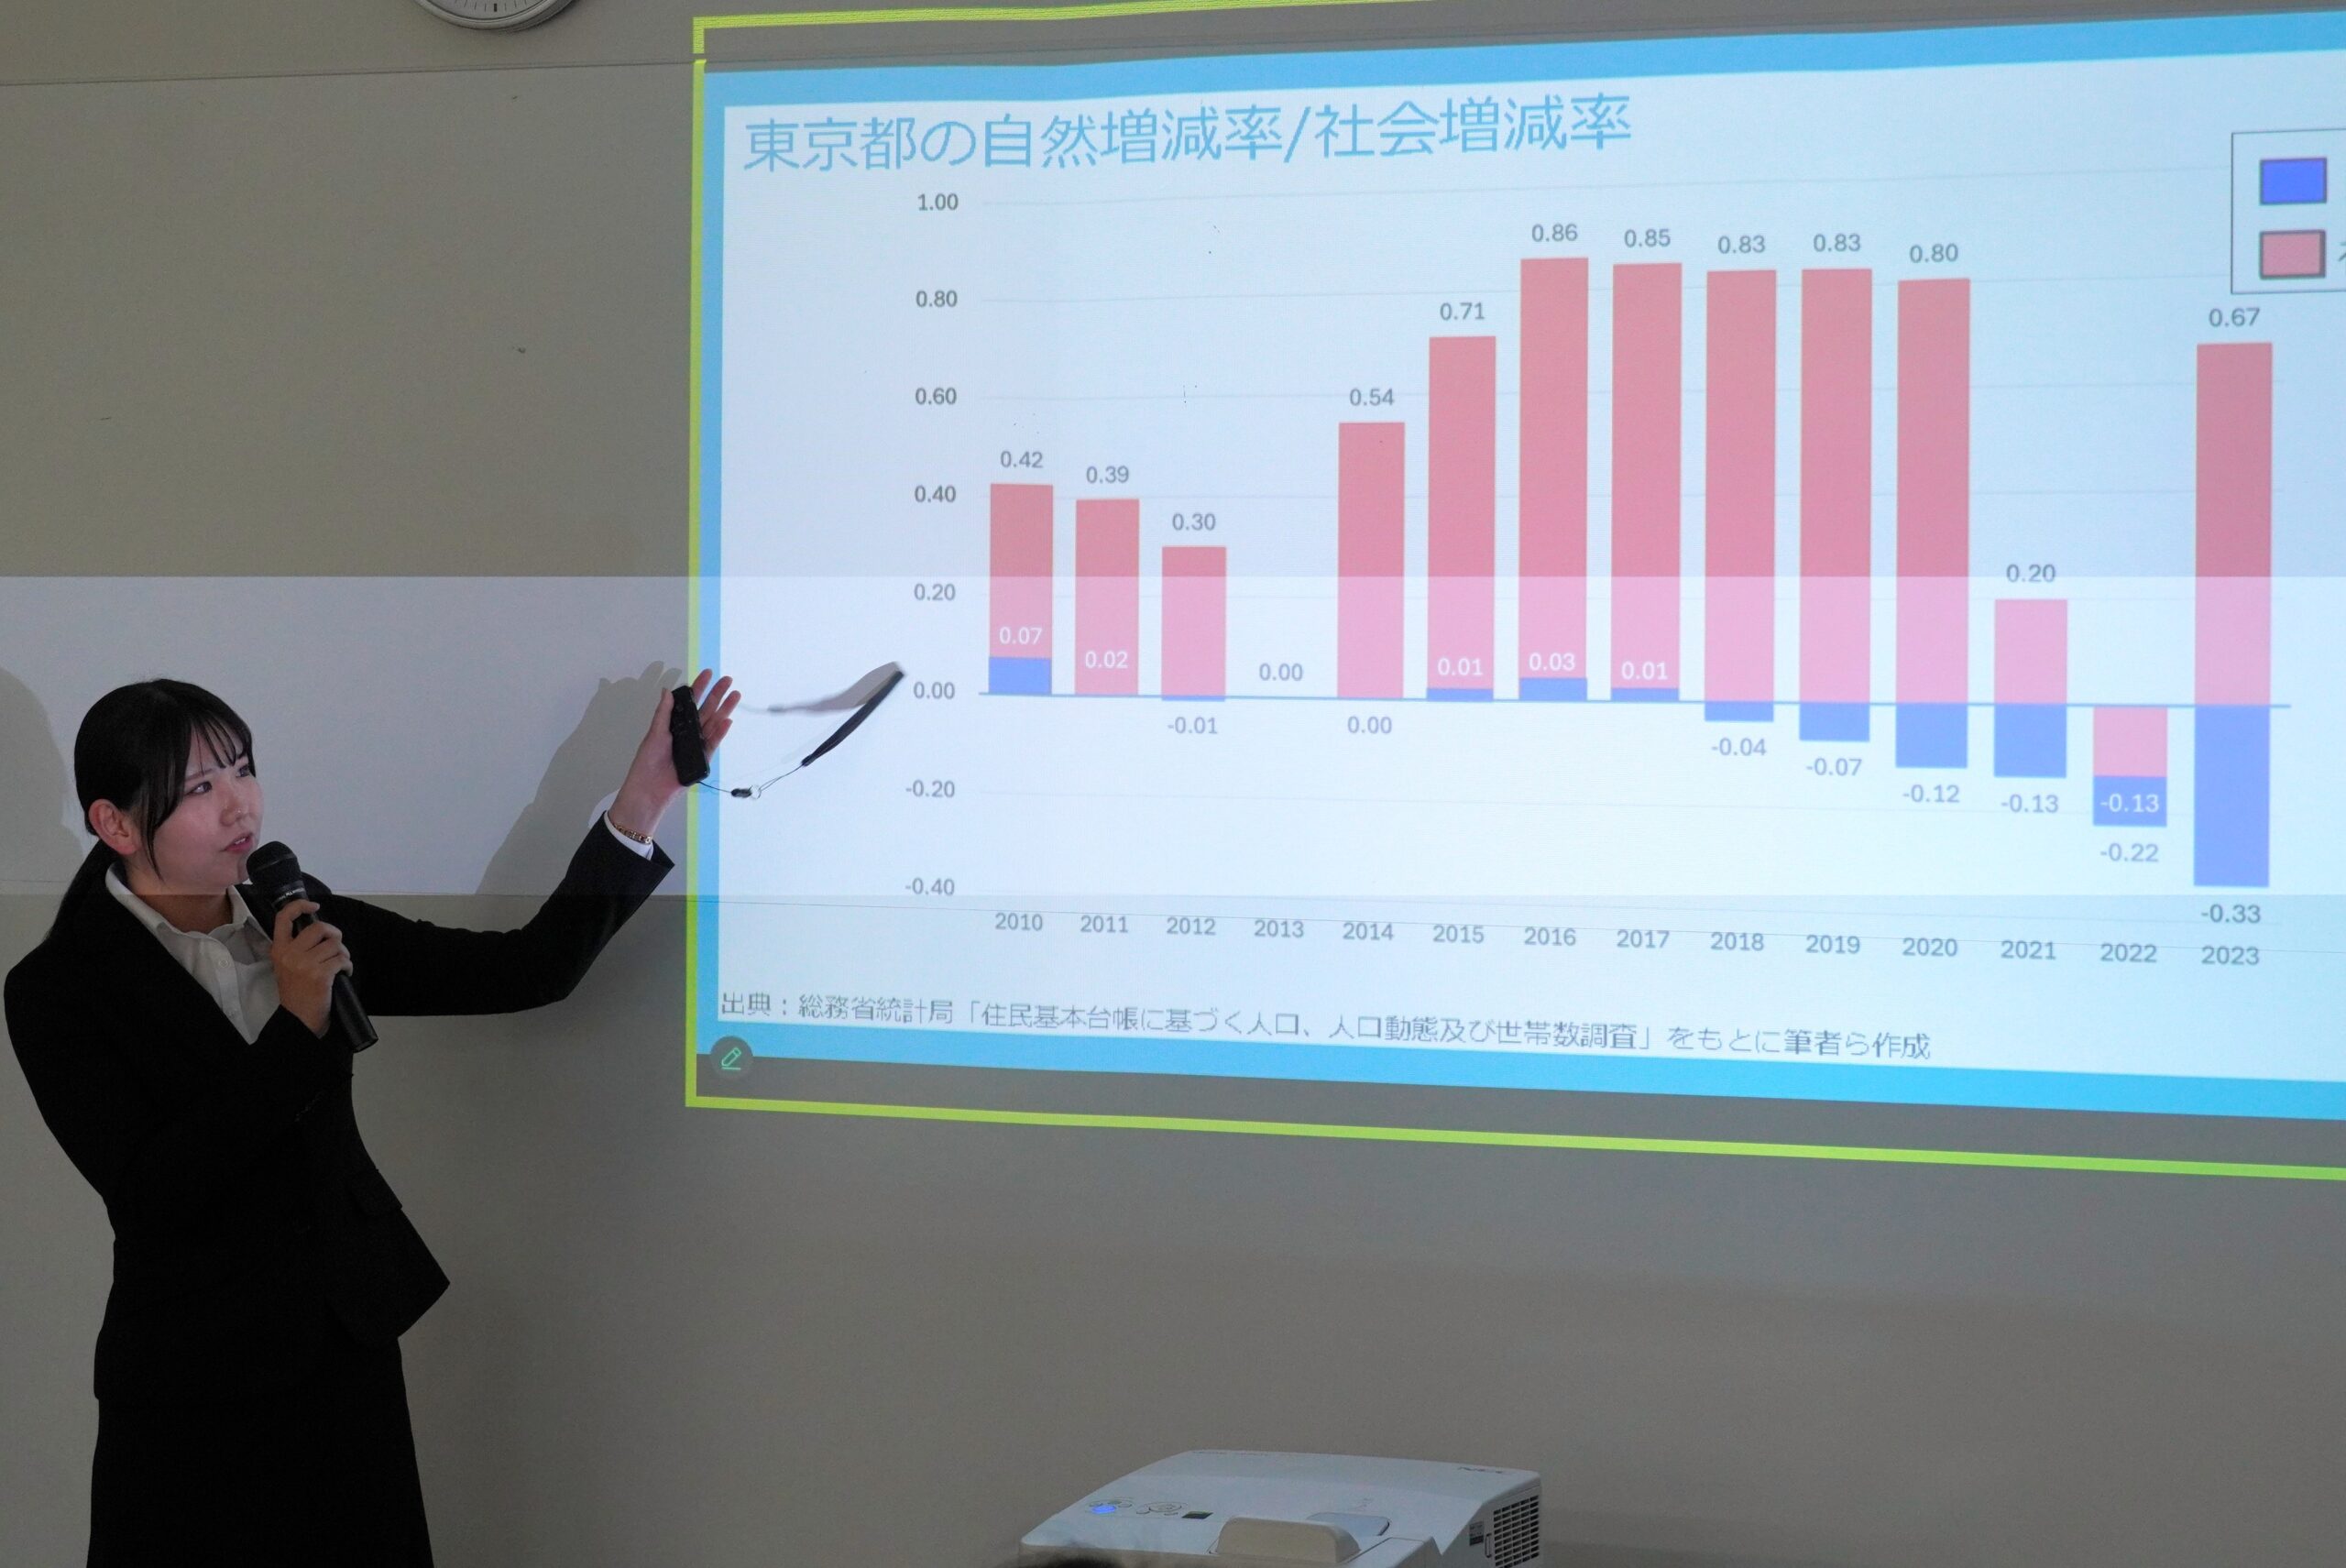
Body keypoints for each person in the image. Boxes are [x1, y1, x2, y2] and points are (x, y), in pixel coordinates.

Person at [5, 671, 740, 1566]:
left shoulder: (289, 909)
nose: (240, 804)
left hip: (340, 1348)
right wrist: (297, 1026)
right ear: (116, 824)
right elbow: (155, 1193)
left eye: (243, 768)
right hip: (192, 1383)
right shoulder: (57, 989)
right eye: (199, 788)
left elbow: (523, 969)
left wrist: (640, 801)